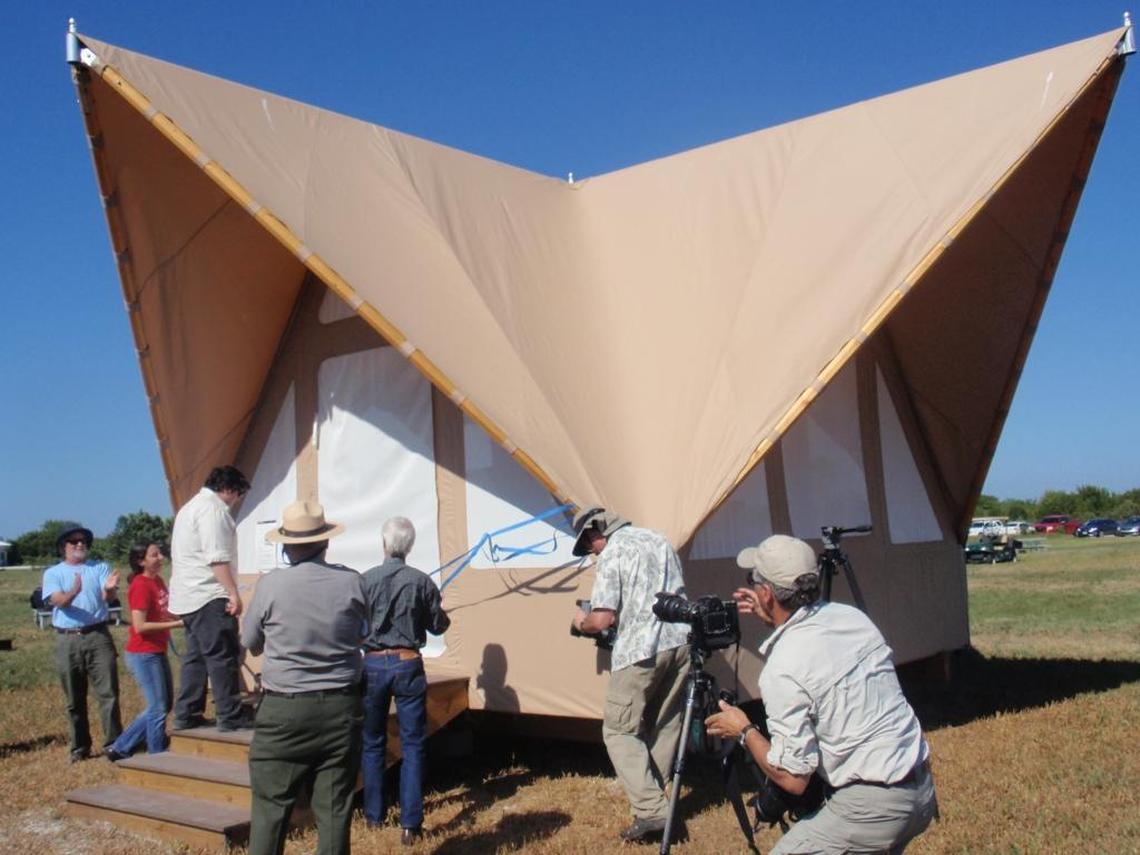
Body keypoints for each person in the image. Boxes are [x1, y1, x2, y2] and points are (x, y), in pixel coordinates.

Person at [705, 534, 938, 854]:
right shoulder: (852, 619)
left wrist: (743, 730)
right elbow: (814, 653)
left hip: (873, 806)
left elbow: (793, 777)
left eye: (754, 580)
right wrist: (772, 613)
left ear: (765, 593)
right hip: (921, 787)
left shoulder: (782, 668)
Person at [242, 500, 368, 855]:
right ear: (326, 542)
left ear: (286, 545)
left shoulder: (271, 585)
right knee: (334, 808)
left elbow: (250, 643)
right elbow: (364, 634)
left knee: (270, 809)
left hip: (284, 709)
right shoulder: (352, 582)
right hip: (341, 707)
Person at [569, 507, 691, 843]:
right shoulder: (659, 539)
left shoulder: (612, 553)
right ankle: (655, 797)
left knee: (619, 730)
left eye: (589, 543)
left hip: (640, 651)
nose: (592, 551)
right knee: (665, 724)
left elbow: (603, 619)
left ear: (598, 532)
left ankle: (653, 813)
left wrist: (580, 621)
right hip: (681, 642)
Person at [360, 516, 450, 845]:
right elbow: (437, 626)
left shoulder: (365, 581)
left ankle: (374, 815)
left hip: (371, 665)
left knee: (372, 742)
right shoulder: (421, 582)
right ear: (409, 547)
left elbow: (355, 625)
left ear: (384, 544)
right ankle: (410, 824)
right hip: (408, 663)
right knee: (413, 745)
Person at [169, 465, 251, 731]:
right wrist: (232, 592)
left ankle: (187, 712)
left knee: (196, 656)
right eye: (237, 495)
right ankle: (230, 714)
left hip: (188, 595)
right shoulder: (213, 510)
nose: (235, 501)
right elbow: (217, 557)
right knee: (222, 655)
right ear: (228, 489)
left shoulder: (189, 508)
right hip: (208, 594)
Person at [41, 524, 123, 762]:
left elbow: (108, 596)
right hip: (68, 638)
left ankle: (114, 743)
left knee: (108, 692)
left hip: (98, 635)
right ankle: (80, 746)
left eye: (83, 542)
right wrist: (74, 591)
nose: (80, 545)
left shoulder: (99, 568)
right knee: (74, 698)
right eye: (74, 542)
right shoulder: (53, 573)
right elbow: (59, 601)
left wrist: (109, 590)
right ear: (63, 547)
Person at [106, 541, 183, 760]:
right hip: (143, 654)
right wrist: (176, 625)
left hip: (157, 650)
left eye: (159, 554)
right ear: (141, 561)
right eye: (154, 555)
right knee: (157, 707)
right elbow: (140, 626)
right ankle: (157, 753)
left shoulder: (157, 581)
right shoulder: (140, 585)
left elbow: (164, 610)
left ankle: (121, 746)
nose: (160, 558)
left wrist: (182, 616)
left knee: (164, 704)